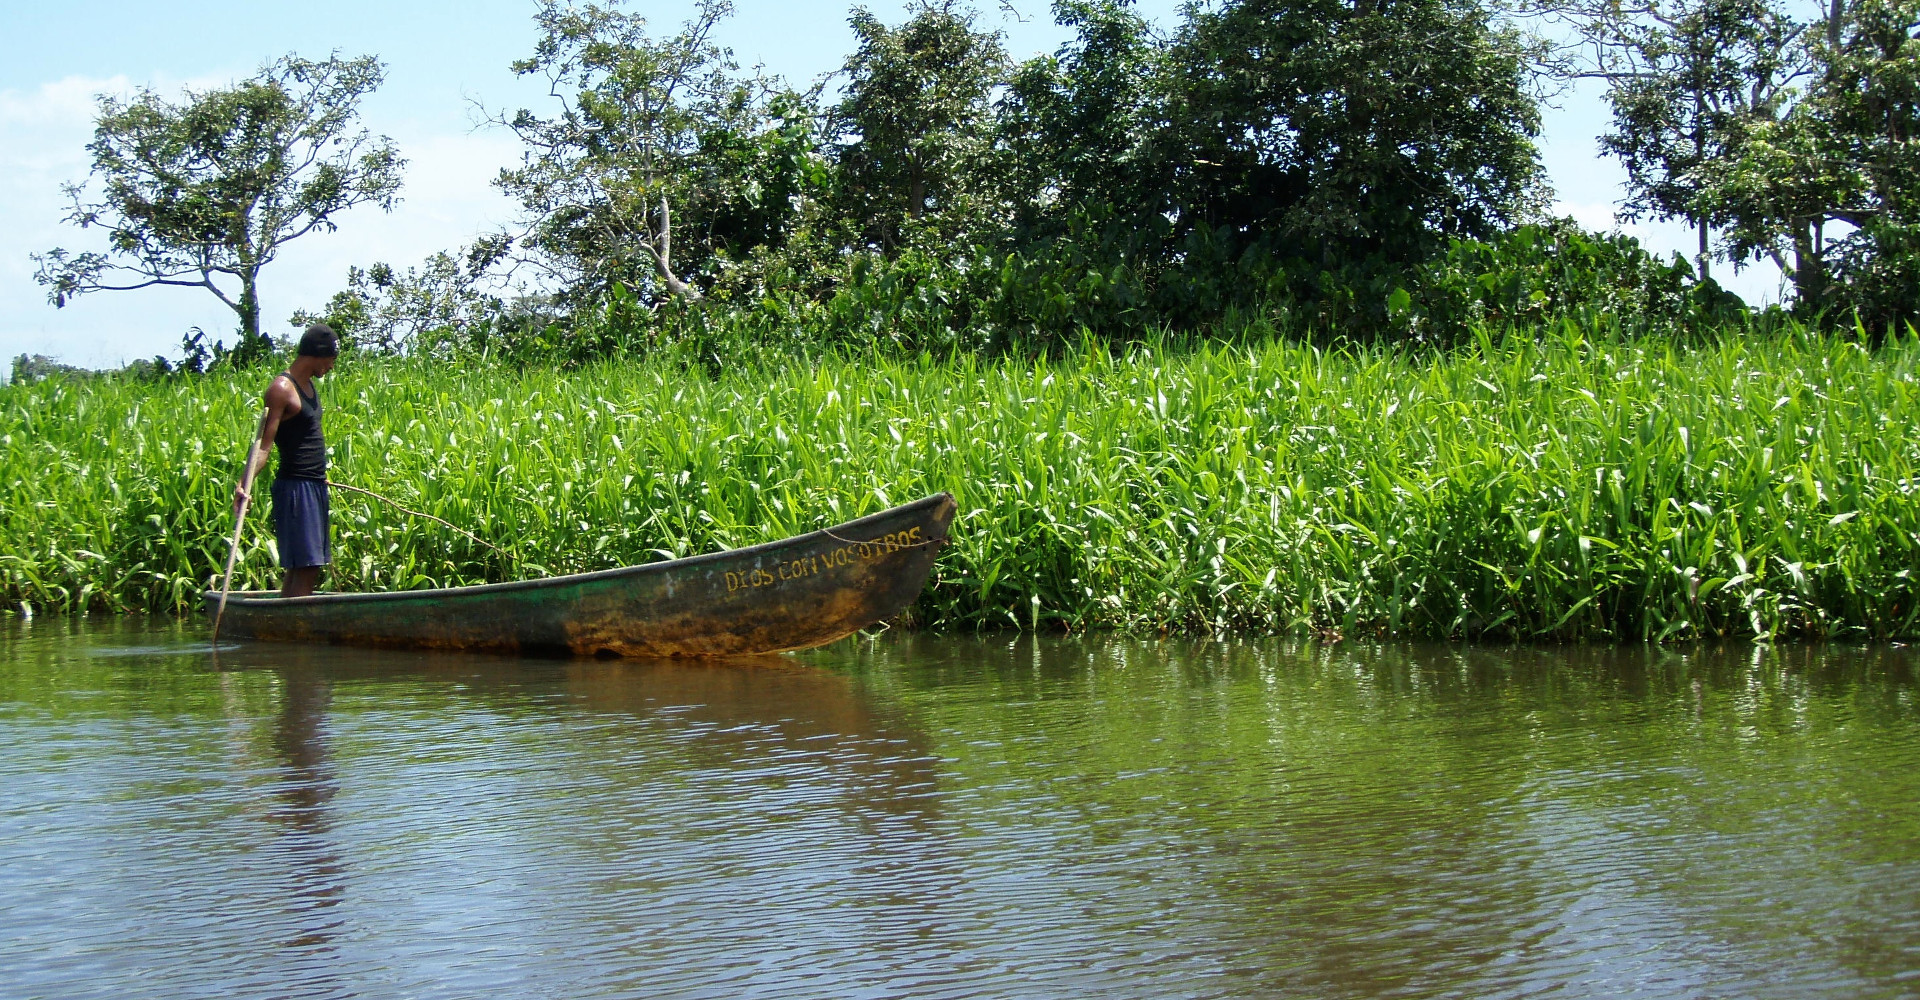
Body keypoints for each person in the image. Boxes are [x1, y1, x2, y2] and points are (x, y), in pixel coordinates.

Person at [233, 324, 338, 597]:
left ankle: (285, 626)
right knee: (306, 565)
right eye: (330, 359)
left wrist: (319, 475)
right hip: (295, 487)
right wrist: (244, 485)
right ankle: (296, 628)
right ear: (317, 354)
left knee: (306, 566)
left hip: (313, 484)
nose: (331, 366)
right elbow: (263, 447)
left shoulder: (309, 387)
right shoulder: (281, 389)